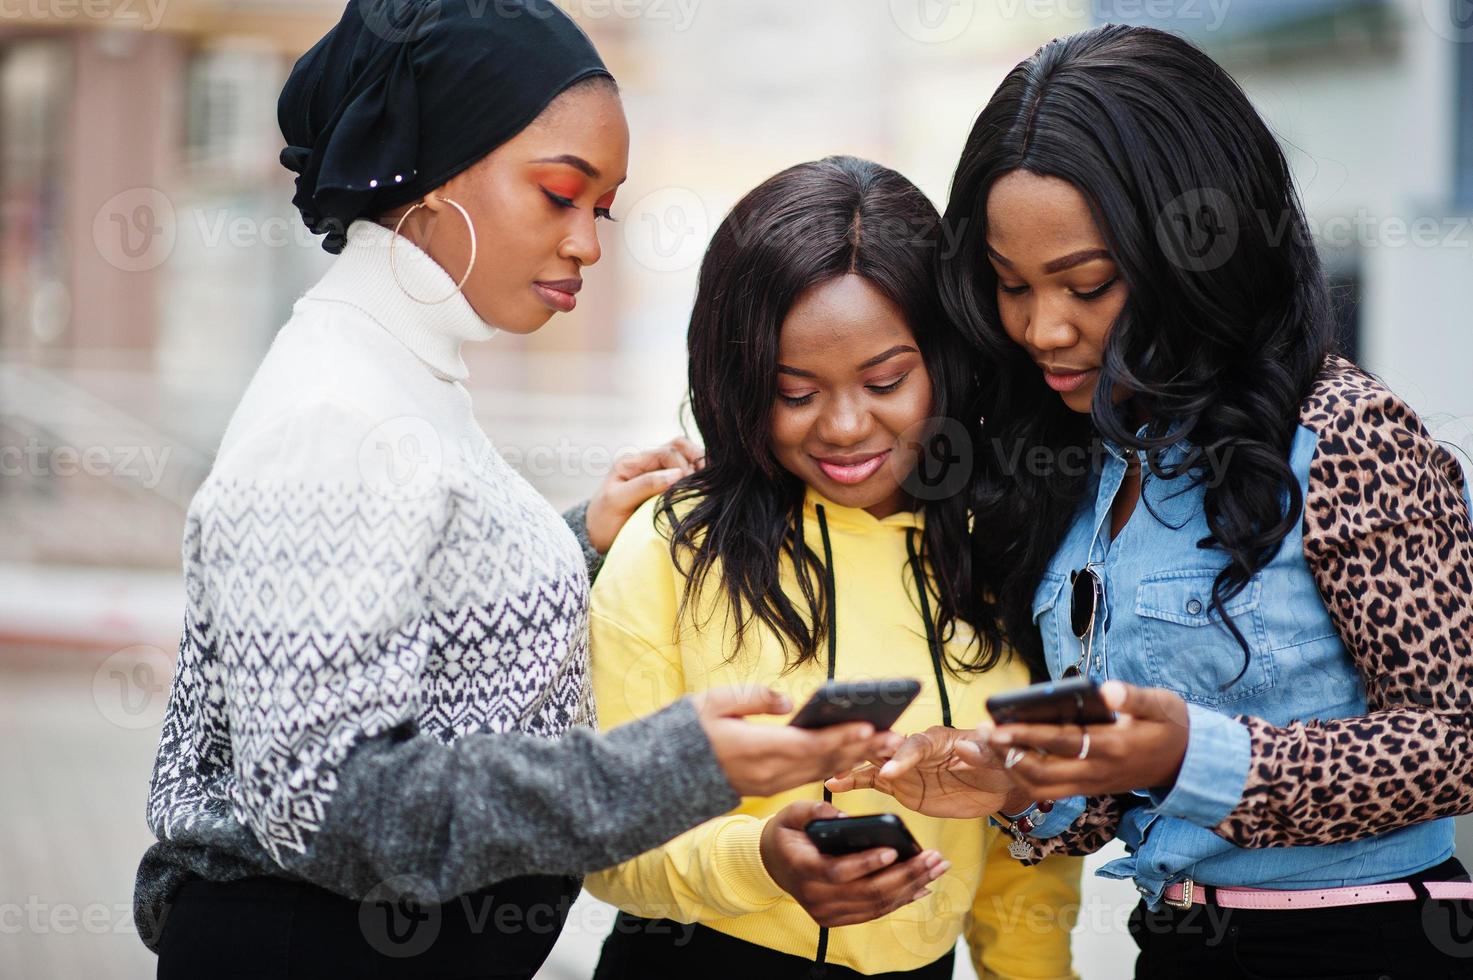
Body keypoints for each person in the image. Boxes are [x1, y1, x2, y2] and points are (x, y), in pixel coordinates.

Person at [133, 4, 897, 977]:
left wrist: (579, 535)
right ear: (435, 163)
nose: (587, 242)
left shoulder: (398, 372)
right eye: (560, 194)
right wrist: (673, 765)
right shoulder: (337, 415)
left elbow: (407, 617)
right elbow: (330, 800)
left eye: (603, 208)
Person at [830, 24, 1473, 978]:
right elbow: (1116, 784)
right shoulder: (1083, 459)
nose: (1043, 328)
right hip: (1172, 941)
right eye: (1009, 287)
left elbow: (1451, 742)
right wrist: (1006, 778)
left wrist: (1189, 755)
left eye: (1087, 285)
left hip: (1367, 941)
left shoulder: (1341, 430)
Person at [582, 156, 1081, 980]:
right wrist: (758, 861)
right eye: (794, 391)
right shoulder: (671, 546)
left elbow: (1025, 855)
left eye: (885, 380)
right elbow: (605, 839)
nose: (846, 427)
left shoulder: (1006, 547)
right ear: (737, 380)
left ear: (946, 359)